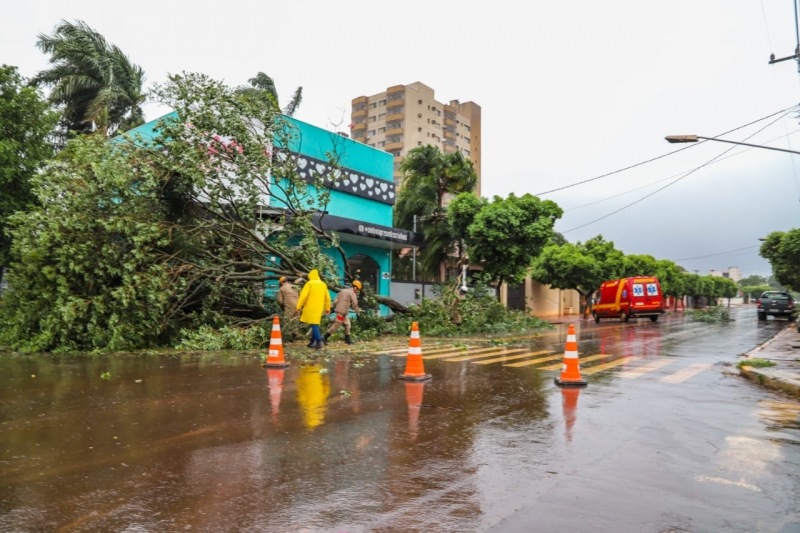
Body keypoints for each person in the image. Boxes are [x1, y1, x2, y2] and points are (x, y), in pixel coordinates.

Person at [296, 269, 331, 349]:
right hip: (319, 308)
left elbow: (303, 296)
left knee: (313, 324)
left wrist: (299, 306)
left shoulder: (309, 283)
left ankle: (318, 341)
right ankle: (312, 342)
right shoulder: (323, 284)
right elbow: (328, 298)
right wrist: (327, 308)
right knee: (314, 324)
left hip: (310, 307)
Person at [323, 280, 362, 345]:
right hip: (341, 313)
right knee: (337, 324)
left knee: (348, 324)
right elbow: (355, 304)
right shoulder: (352, 293)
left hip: (343, 313)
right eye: (358, 290)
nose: (357, 291)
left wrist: (332, 307)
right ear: (355, 288)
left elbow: (336, 300)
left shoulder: (342, 291)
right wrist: (357, 312)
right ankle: (324, 337)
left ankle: (347, 340)